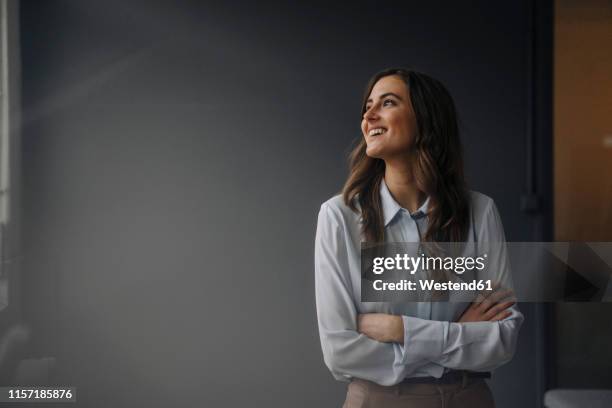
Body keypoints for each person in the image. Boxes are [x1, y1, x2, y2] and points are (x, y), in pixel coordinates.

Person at [314, 68, 523, 408]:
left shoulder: (480, 212)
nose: (369, 115)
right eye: (368, 106)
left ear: (426, 120)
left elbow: (502, 340)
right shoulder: (339, 217)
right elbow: (340, 352)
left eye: (388, 102)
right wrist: (458, 338)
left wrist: (400, 330)